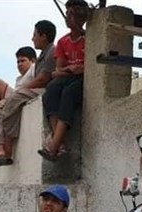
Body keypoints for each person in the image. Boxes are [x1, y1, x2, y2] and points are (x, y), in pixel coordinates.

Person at [0, 20, 57, 170]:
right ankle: (0, 147)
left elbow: (43, 79)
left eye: (35, 35)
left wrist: (21, 90)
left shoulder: (51, 52)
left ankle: (1, 148)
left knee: (6, 103)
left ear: (43, 36)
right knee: (3, 107)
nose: (33, 38)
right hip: (36, 90)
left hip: (44, 90)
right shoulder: (43, 55)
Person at [38, 0, 89, 162]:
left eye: (71, 14)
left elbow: (89, 67)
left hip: (82, 81)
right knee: (50, 92)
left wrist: (78, 69)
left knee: (68, 94)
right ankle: (60, 143)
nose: (68, 18)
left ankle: (54, 145)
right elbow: (57, 71)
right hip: (68, 77)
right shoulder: (63, 42)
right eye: (67, 14)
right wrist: (69, 69)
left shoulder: (89, 39)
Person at [0, 46, 37, 156]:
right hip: (16, 95)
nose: (19, 64)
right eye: (18, 62)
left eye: (23, 60)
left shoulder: (34, 68)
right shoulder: (19, 78)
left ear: (32, 60)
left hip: (22, 96)